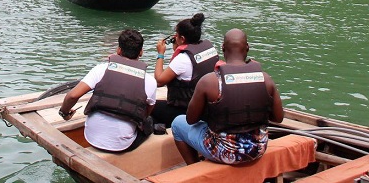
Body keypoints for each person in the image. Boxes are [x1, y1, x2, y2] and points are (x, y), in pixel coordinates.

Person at [171, 28, 284, 165]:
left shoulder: (209, 81)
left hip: (225, 152)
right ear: (247, 48)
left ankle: (193, 167)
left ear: (223, 48)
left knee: (177, 123)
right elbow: (278, 118)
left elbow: (191, 119)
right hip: (257, 149)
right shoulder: (266, 79)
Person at [58, 29, 157, 152]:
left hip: (91, 136)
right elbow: (145, 113)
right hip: (122, 144)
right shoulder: (150, 81)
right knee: (150, 121)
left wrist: (65, 113)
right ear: (141, 52)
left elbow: (72, 96)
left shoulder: (101, 69)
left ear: (118, 50)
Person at [152, 13, 220, 128]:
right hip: (206, 108)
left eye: (177, 36)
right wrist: (178, 47)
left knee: (150, 107)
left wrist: (160, 53)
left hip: (185, 111)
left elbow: (159, 81)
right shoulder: (209, 49)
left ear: (182, 39)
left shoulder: (183, 59)